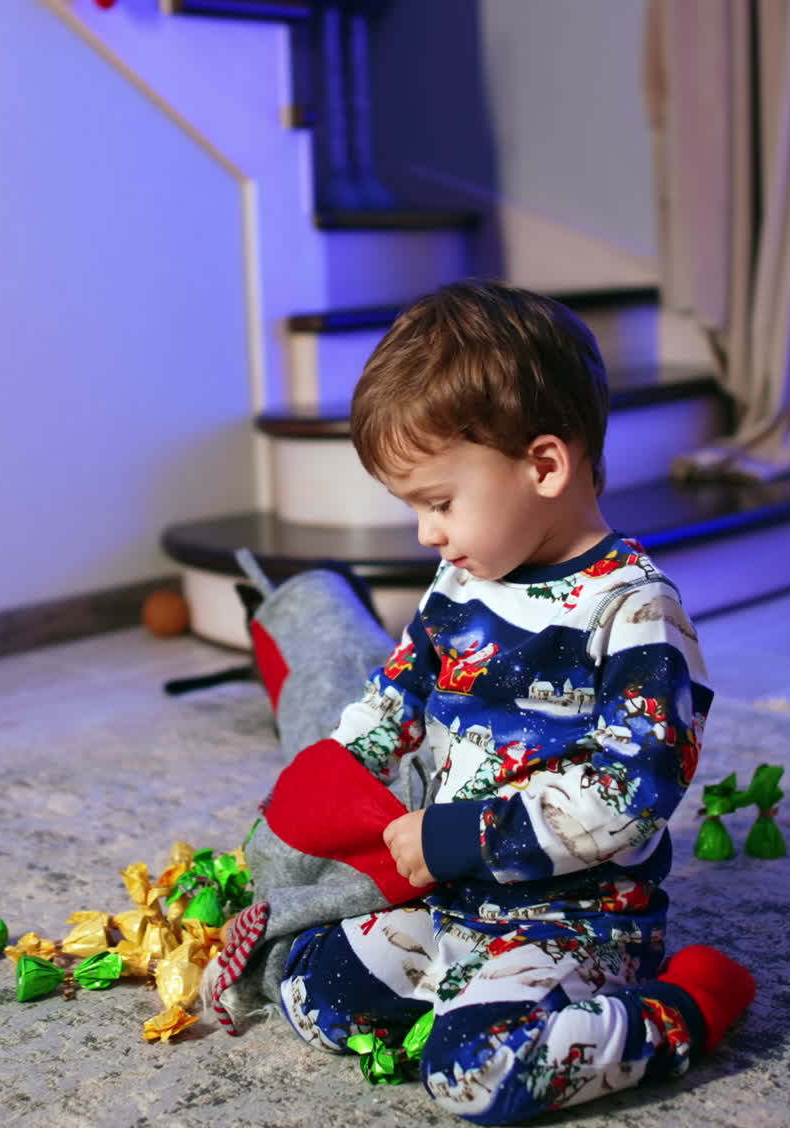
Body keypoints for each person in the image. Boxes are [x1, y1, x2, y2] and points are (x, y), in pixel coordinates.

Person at [205, 281, 755, 1124]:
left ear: (544, 466)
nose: (426, 532)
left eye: (439, 502)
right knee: (315, 995)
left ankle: (681, 1009)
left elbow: (633, 794)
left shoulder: (634, 612)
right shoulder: (461, 582)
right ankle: (461, 989)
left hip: (572, 917)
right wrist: (342, 763)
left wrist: (465, 835)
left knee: (476, 1075)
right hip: (453, 895)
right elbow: (400, 689)